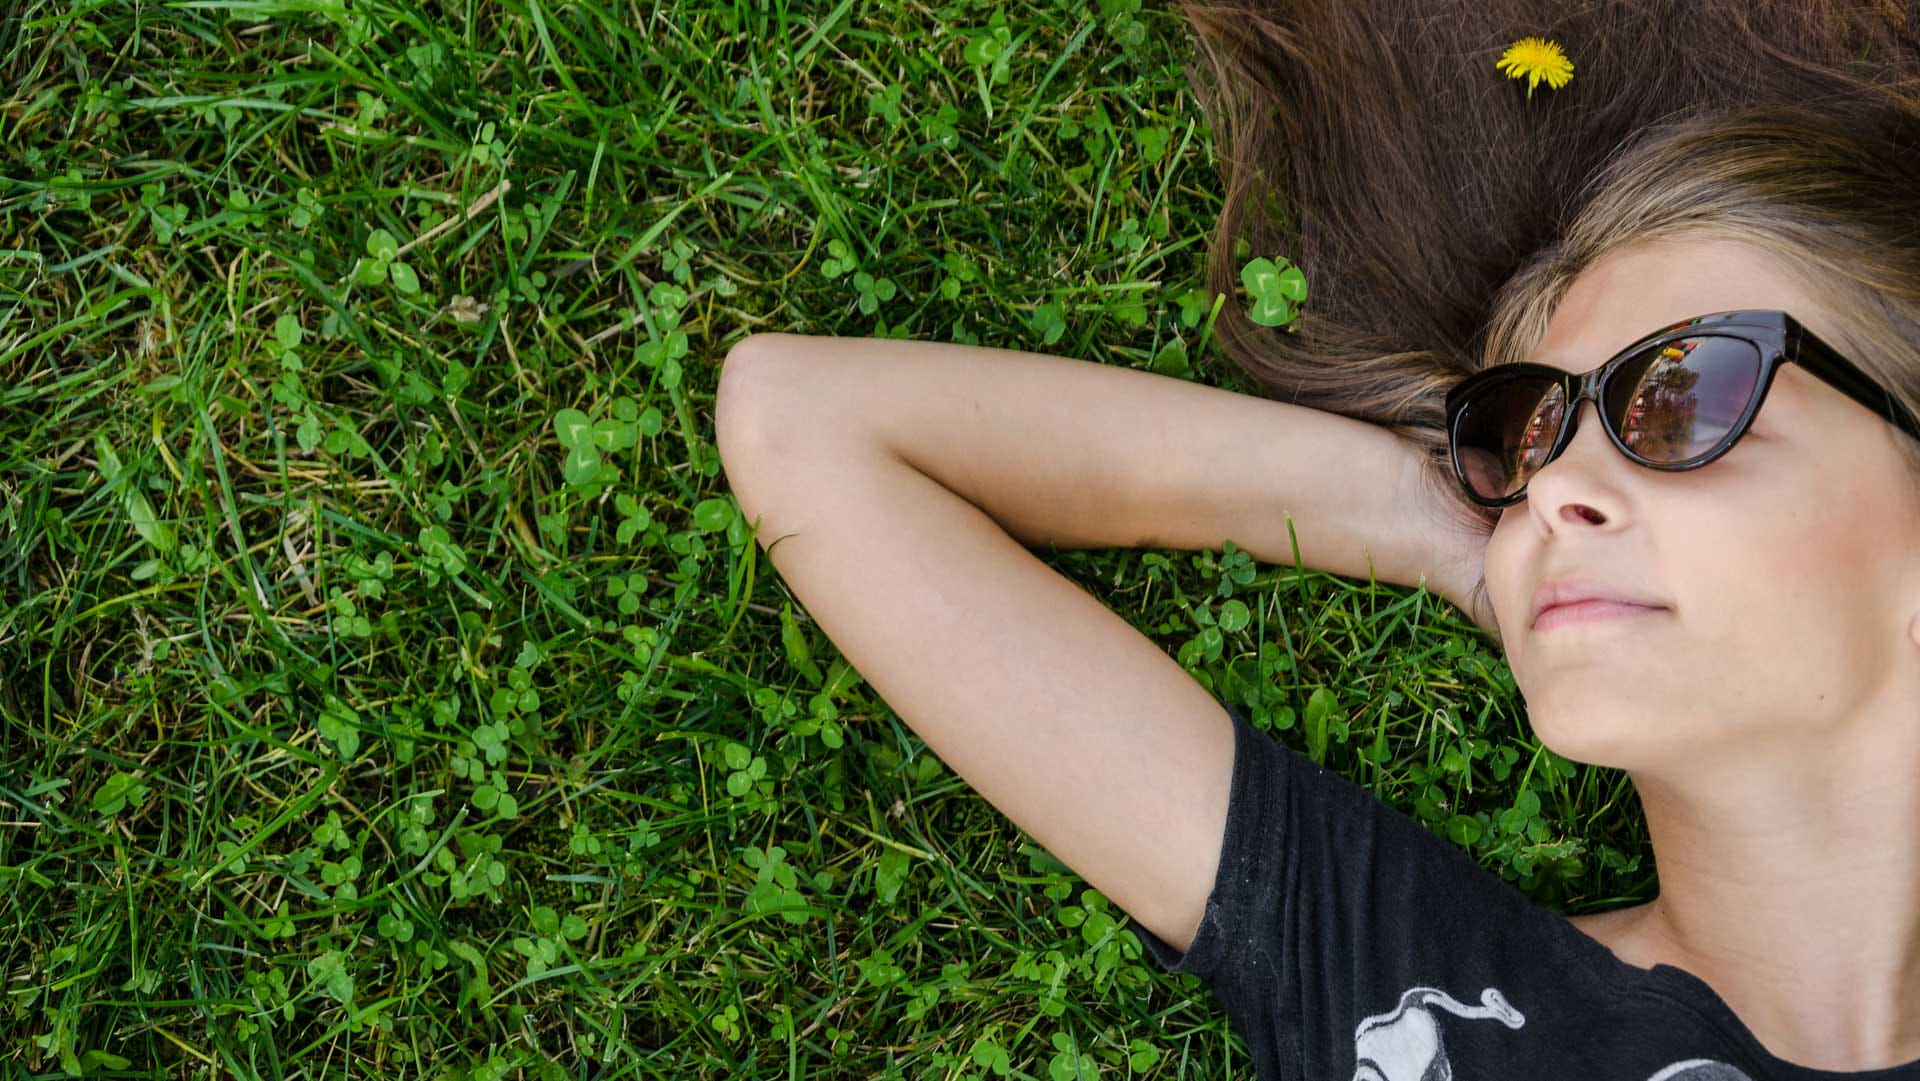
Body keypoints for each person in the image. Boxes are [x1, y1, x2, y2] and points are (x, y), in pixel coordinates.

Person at [714, 7, 1920, 1078]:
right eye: (1524, 434)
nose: (1555, 491)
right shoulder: (1420, 985)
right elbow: (808, 425)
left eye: (1680, 396)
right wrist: (1445, 526)